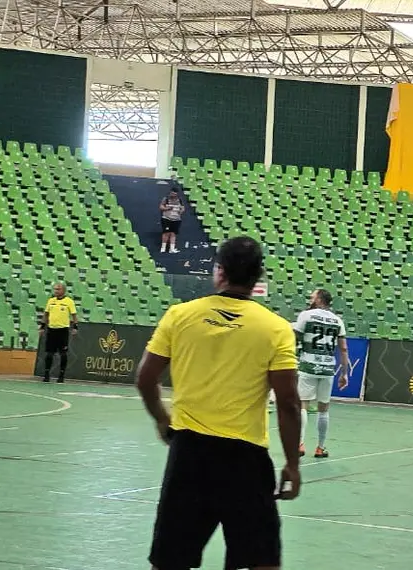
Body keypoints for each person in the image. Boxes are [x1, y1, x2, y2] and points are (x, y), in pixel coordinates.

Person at [136, 236, 301, 570]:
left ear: (219, 272)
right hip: (246, 459)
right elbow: (288, 403)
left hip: (189, 455)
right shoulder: (276, 329)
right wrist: (292, 465)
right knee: (262, 560)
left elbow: (145, 378)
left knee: (170, 560)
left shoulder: (180, 315)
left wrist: (162, 418)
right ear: (258, 276)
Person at [293, 289, 349, 459]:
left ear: (319, 299)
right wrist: (344, 373)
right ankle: (320, 447)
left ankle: (299, 444)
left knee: (303, 404)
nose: (310, 299)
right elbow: (343, 349)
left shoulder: (306, 315)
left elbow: (294, 338)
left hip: (308, 365)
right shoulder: (337, 320)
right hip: (327, 369)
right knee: (323, 408)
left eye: (312, 297)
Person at [39, 283, 77, 383]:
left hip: (63, 330)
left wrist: (75, 327)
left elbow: (74, 316)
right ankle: (46, 375)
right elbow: (46, 314)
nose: (56, 291)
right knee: (49, 354)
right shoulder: (51, 301)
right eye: (55, 289)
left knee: (63, 354)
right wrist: (42, 326)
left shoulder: (69, 301)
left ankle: (61, 376)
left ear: (63, 290)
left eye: (58, 289)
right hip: (51, 329)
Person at [159, 189, 185, 254]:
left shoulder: (180, 200)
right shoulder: (166, 199)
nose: (173, 195)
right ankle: (163, 248)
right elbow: (161, 207)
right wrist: (167, 208)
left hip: (176, 219)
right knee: (166, 233)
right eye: (172, 193)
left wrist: (181, 211)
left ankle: (172, 249)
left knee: (173, 234)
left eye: (175, 194)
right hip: (167, 218)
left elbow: (183, 208)